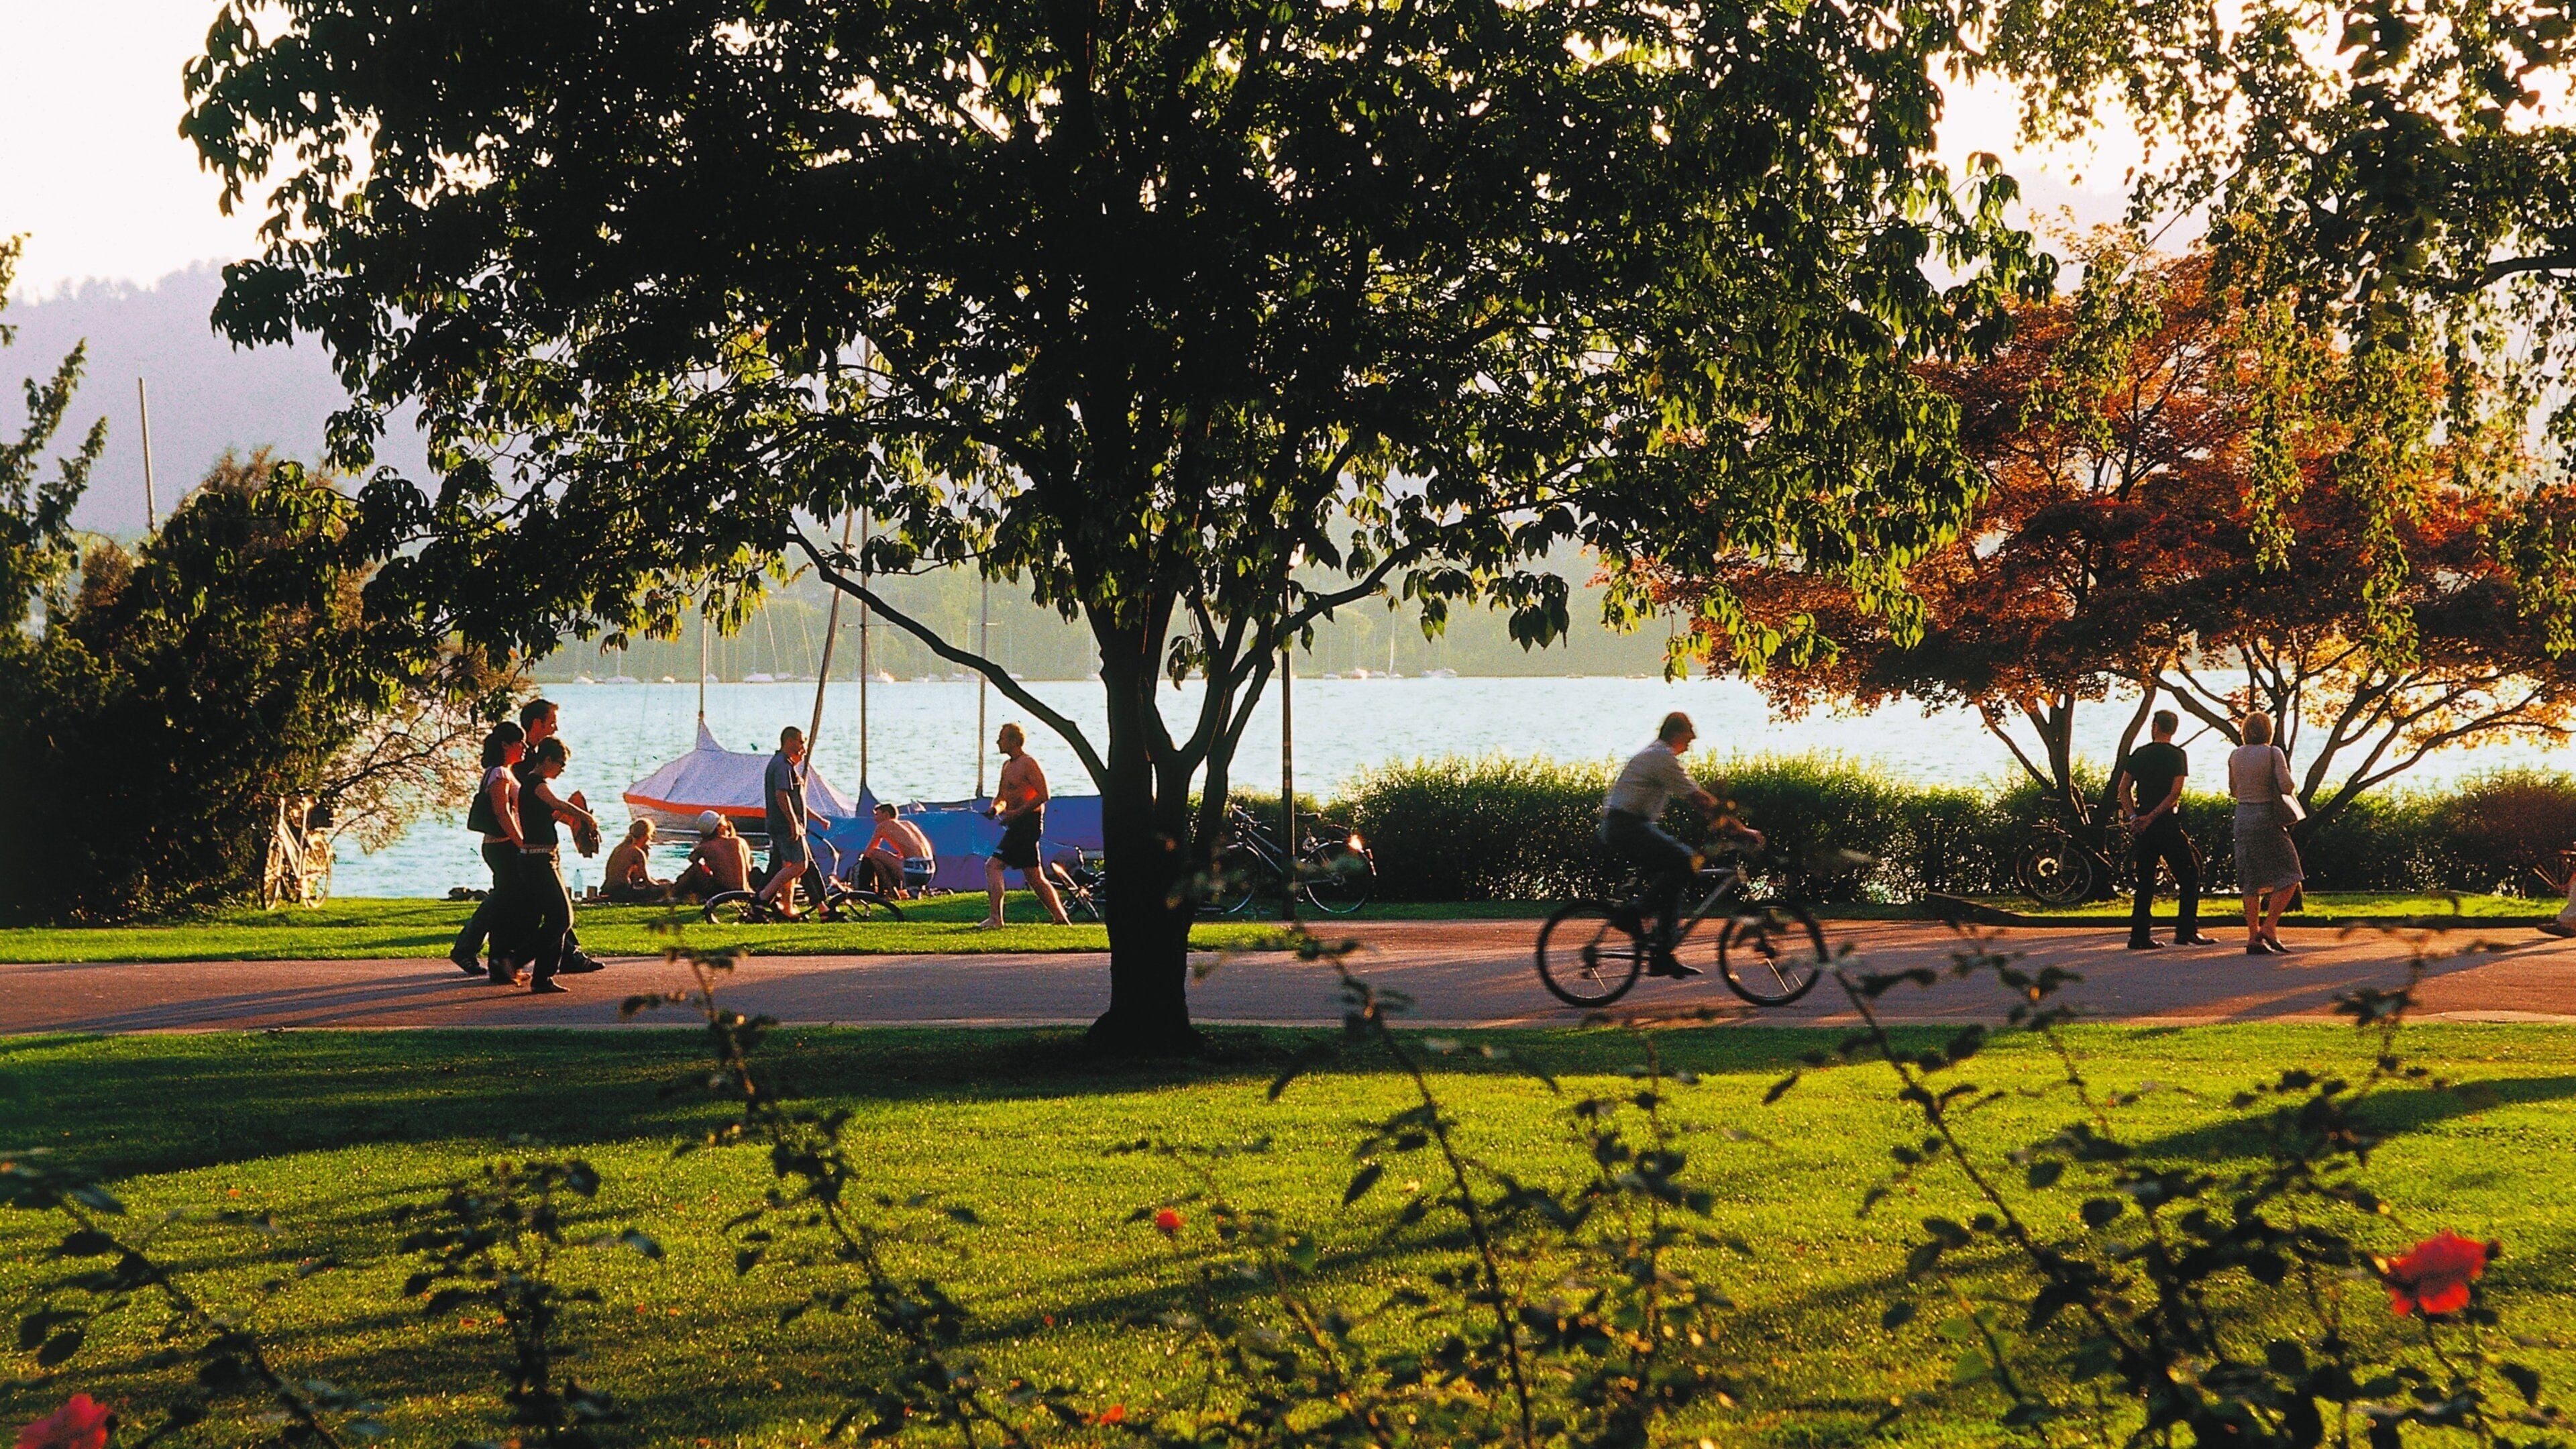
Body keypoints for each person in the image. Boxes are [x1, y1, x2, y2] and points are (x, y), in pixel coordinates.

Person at [1599, 712, 1760, 977]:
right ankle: (1634, 913)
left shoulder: (1658, 755)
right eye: (1689, 735)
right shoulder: (1661, 758)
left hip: (1629, 825)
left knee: (1675, 880)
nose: (1692, 741)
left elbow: (1697, 801)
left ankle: (1662, 954)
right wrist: (1741, 831)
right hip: (1626, 827)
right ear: (1676, 734)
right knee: (1686, 861)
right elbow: (1700, 800)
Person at [2114, 709, 2216, 950]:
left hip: (2143, 825)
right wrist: (2153, 816)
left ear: (2155, 727)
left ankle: (2139, 935)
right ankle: (2186, 930)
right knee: (2190, 875)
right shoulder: (2178, 756)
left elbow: (2123, 788)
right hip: (2166, 823)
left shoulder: (2140, 754)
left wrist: (2134, 816)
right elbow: (2175, 793)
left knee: (2145, 880)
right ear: (2173, 729)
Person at [509, 736, 598, 992]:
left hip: (545, 858)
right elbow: (558, 804)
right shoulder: (536, 783)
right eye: (560, 764)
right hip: (538, 860)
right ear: (546, 760)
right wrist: (585, 817)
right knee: (561, 918)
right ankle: (516, 962)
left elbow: (552, 814)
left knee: (558, 918)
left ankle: (542, 978)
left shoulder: (536, 787)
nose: (562, 769)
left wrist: (577, 821)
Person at [447, 722, 527, 975]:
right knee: (502, 901)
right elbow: (502, 812)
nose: (524, 748)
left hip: (501, 848)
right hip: (503, 848)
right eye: (519, 743)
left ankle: (478, 951)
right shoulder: (500, 774)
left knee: (503, 900)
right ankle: (470, 949)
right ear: (506, 745)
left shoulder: (501, 772)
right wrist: (522, 844)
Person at [2229, 711, 2306, 955]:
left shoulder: (2235, 755)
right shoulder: (2273, 753)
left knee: (2250, 879)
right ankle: (2270, 925)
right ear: (2268, 730)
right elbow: (2286, 785)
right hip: (2266, 816)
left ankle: (2253, 937)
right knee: (2291, 872)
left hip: (2242, 817)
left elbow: (2233, 790)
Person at [981, 722, 1070, 927]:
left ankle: (996, 918)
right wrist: (996, 809)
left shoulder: (1028, 763)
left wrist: (1016, 814)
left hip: (1028, 824)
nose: (998, 742)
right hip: (1016, 823)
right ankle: (1061, 918)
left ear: (1013, 741)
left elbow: (1044, 795)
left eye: (1001, 738)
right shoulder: (1007, 766)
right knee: (1034, 876)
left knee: (993, 866)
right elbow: (1002, 797)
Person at [754, 727, 814, 918]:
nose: (803, 746)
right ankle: (763, 897)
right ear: (789, 741)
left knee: (788, 866)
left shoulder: (781, 763)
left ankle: (787, 908)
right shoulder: (782, 765)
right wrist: (793, 822)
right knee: (800, 865)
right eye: (801, 741)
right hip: (784, 826)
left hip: (779, 825)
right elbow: (781, 795)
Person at [855, 802, 936, 897]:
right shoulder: (908, 824)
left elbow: (869, 852)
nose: (875, 818)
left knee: (874, 853)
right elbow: (912, 850)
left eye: (877, 815)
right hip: (930, 870)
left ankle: (886, 891)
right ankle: (896, 892)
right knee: (879, 860)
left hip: (914, 872)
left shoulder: (883, 826)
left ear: (886, 815)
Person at [672, 811, 753, 900]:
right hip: (745, 891)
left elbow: (692, 858)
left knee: (695, 868)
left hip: (722, 892)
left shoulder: (706, 846)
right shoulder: (741, 841)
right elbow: (750, 863)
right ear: (721, 827)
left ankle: (673, 892)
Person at [601, 820, 669, 903]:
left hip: (608, 889)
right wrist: (662, 886)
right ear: (646, 835)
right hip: (622, 892)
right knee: (668, 887)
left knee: (663, 882)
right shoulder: (637, 852)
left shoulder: (619, 848)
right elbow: (647, 881)